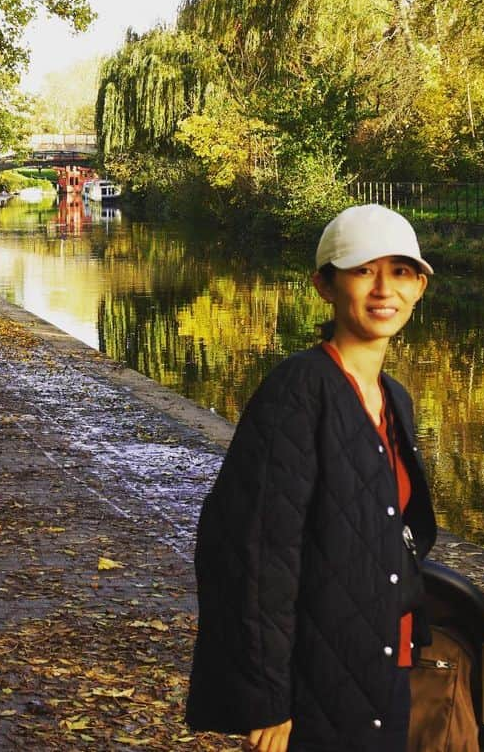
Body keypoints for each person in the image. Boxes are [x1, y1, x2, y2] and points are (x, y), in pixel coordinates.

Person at [186, 204, 437, 752]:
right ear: (324, 285)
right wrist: (266, 697)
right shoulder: (298, 391)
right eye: (362, 270)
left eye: (399, 271)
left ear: (418, 287)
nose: (383, 290)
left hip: (383, 671)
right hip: (314, 685)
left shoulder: (395, 399)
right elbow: (255, 554)